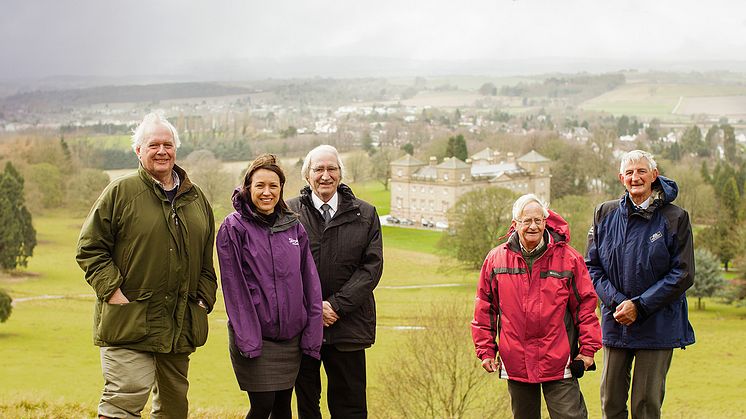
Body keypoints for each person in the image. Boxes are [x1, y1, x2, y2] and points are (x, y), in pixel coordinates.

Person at [76, 112, 218, 419]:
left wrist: (203, 300)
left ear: (175, 150)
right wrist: (113, 292)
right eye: (153, 144)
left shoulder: (197, 200)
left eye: (168, 144)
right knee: (123, 400)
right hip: (130, 320)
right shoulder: (121, 192)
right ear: (138, 151)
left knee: (173, 408)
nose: (162, 151)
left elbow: (207, 262)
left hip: (178, 326)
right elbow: (89, 248)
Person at [586, 150, 695, 419]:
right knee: (610, 402)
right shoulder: (604, 213)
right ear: (621, 178)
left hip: (657, 325)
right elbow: (592, 266)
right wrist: (618, 303)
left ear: (654, 176)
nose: (636, 177)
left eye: (642, 171)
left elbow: (682, 273)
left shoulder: (675, 218)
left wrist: (640, 306)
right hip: (616, 321)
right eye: (630, 172)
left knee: (645, 405)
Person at [472, 193, 602, 419]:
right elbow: (485, 308)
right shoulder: (495, 260)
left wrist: (588, 350)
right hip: (516, 363)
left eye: (538, 220)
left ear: (546, 221)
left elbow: (586, 308)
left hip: (560, 361)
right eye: (526, 221)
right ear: (515, 224)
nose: (533, 226)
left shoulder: (569, 259)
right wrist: (485, 350)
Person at [216, 154, 323, 419]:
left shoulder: (293, 227)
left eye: (273, 186)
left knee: (283, 407)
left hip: (291, 339)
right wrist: (249, 342)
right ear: (248, 188)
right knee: (263, 405)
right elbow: (235, 290)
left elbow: (309, 282)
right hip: (255, 337)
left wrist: (311, 334)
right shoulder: (233, 228)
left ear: (281, 189)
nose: (267, 192)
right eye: (260, 186)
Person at [289, 144, 383, 419]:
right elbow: (283, 269)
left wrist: (335, 307)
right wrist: (314, 308)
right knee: (307, 406)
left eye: (332, 168)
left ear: (341, 174)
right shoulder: (289, 213)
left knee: (350, 407)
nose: (325, 175)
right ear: (307, 175)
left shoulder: (364, 214)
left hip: (349, 326)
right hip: (303, 326)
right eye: (319, 169)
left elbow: (371, 268)